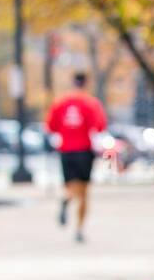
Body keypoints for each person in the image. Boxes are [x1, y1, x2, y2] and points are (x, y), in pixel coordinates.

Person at [45, 73, 107, 243]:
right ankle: (79, 229)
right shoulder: (91, 103)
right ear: (85, 84)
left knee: (70, 186)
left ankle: (66, 198)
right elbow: (100, 126)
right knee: (84, 193)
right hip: (84, 150)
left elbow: (50, 126)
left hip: (66, 150)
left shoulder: (60, 103)